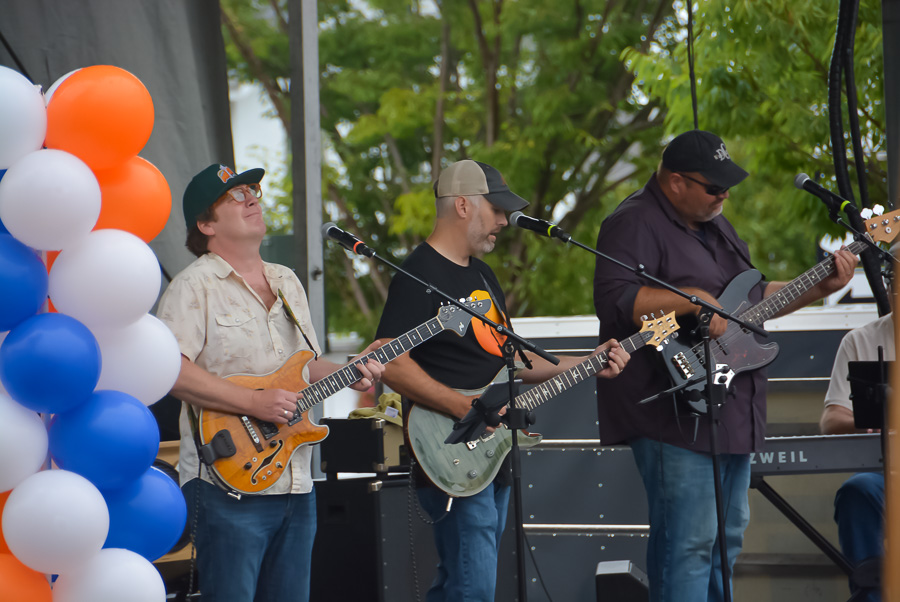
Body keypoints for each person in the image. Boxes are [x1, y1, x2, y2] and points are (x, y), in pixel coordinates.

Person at [592, 130, 858, 602]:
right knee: (688, 544)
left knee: (725, 543)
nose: (724, 195)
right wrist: (691, 301)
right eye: (714, 187)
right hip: (674, 412)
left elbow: (752, 300)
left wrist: (820, 287)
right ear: (676, 182)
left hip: (730, 408)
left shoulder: (717, 225)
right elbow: (617, 300)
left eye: (727, 186)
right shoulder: (633, 222)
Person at [374, 159, 630, 601]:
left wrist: (587, 362)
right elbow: (390, 362)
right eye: (495, 209)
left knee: (461, 583)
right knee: (472, 586)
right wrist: (461, 406)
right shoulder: (418, 273)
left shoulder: (483, 274)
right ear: (462, 205)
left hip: (490, 446)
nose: (503, 221)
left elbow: (511, 358)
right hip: (448, 445)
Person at [156, 163, 384, 602]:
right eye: (234, 195)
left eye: (252, 190)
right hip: (224, 482)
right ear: (206, 224)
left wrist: (351, 370)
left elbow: (303, 367)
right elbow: (171, 371)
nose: (250, 198)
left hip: (296, 479)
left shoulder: (287, 281)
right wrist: (252, 402)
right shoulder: (192, 287)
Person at [820, 311, 893, 602]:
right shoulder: (862, 339)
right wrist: (869, 421)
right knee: (858, 490)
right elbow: (831, 420)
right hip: (887, 475)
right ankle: (872, 594)